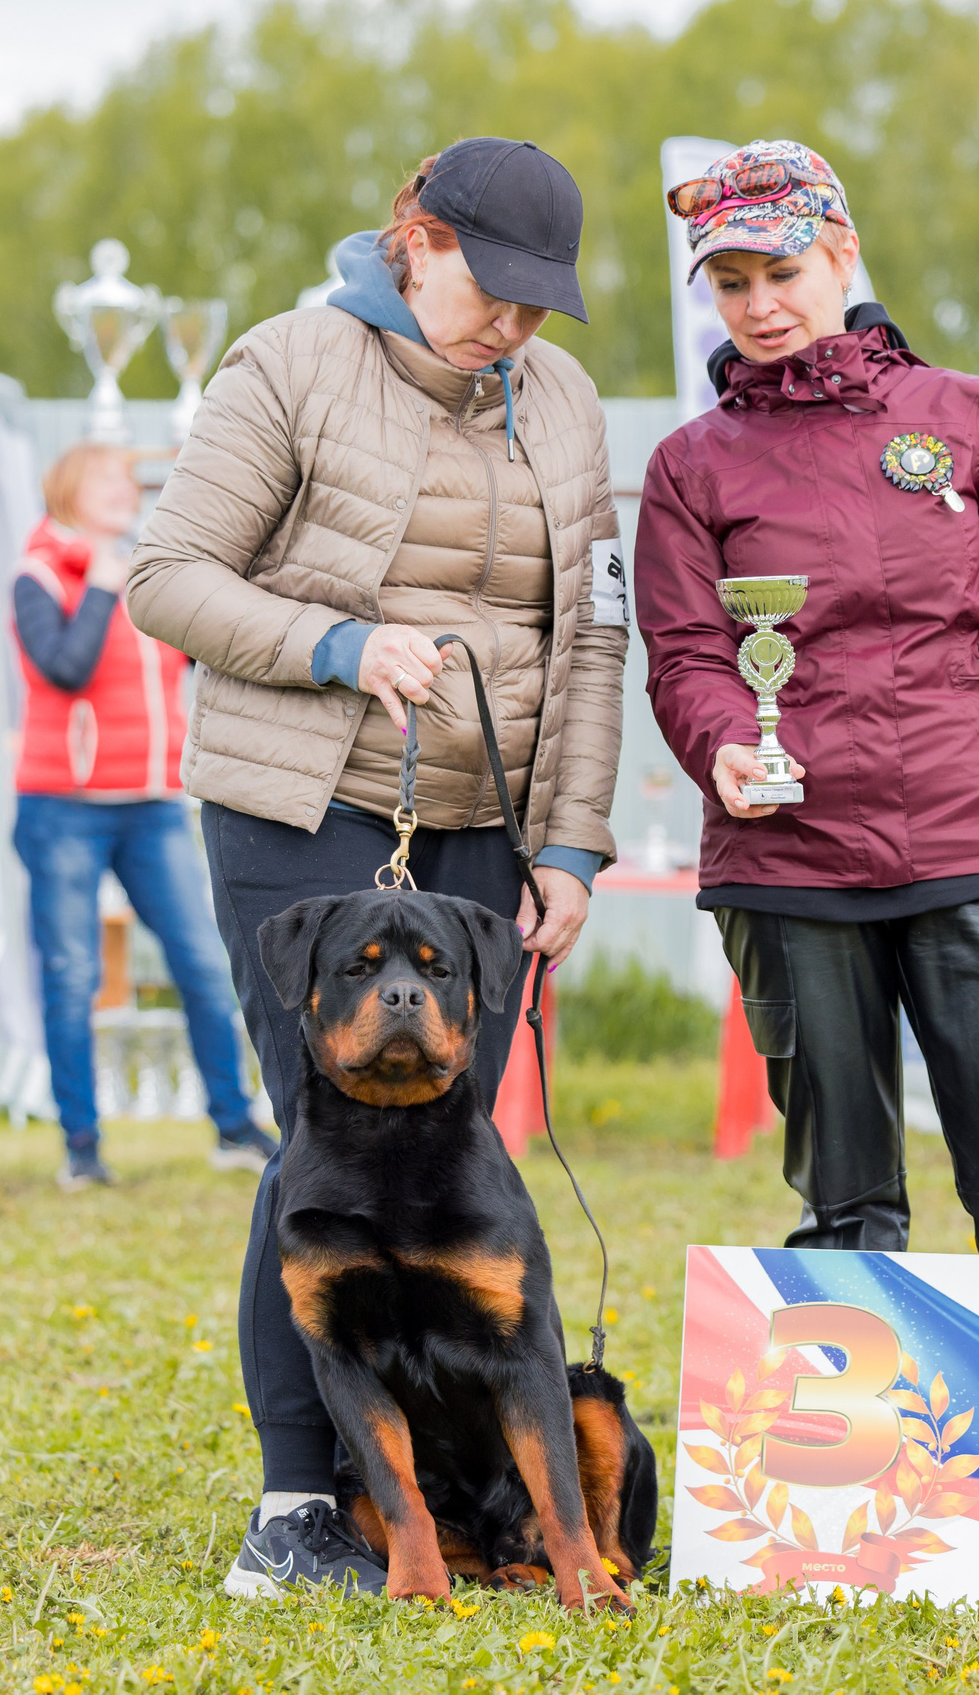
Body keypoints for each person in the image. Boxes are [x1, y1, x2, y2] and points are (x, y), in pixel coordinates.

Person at [126, 137, 626, 1595]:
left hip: (482, 820)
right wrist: (339, 645)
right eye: (492, 290)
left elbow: (593, 640)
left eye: (539, 303)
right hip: (304, 806)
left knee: (454, 1146)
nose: (512, 326)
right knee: (325, 1149)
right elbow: (166, 577)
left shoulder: (565, 398)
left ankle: (453, 1495)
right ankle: (298, 1505)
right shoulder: (288, 364)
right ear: (416, 238)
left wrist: (571, 842)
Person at [636, 139, 979, 1259]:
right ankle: (853, 1384)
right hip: (787, 862)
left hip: (976, 852)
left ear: (842, 253)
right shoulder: (689, 464)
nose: (758, 306)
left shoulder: (969, 415)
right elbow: (687, 652)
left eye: (781, 273)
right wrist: (723, 746)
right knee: (845, 1215)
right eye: (730, 283)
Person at [11, 444, 272, 1191]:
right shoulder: (38, 576)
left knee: (202, 962)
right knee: (73, 975)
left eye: (129, 481)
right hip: (62, 807)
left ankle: (234, 1126)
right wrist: (100, 588)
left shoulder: (145, 574)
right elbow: (64, 668)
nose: (125, 490)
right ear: (67, 489)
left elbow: (191, 660)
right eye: (106, 478)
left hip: (151, 804)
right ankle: (81, 1145)